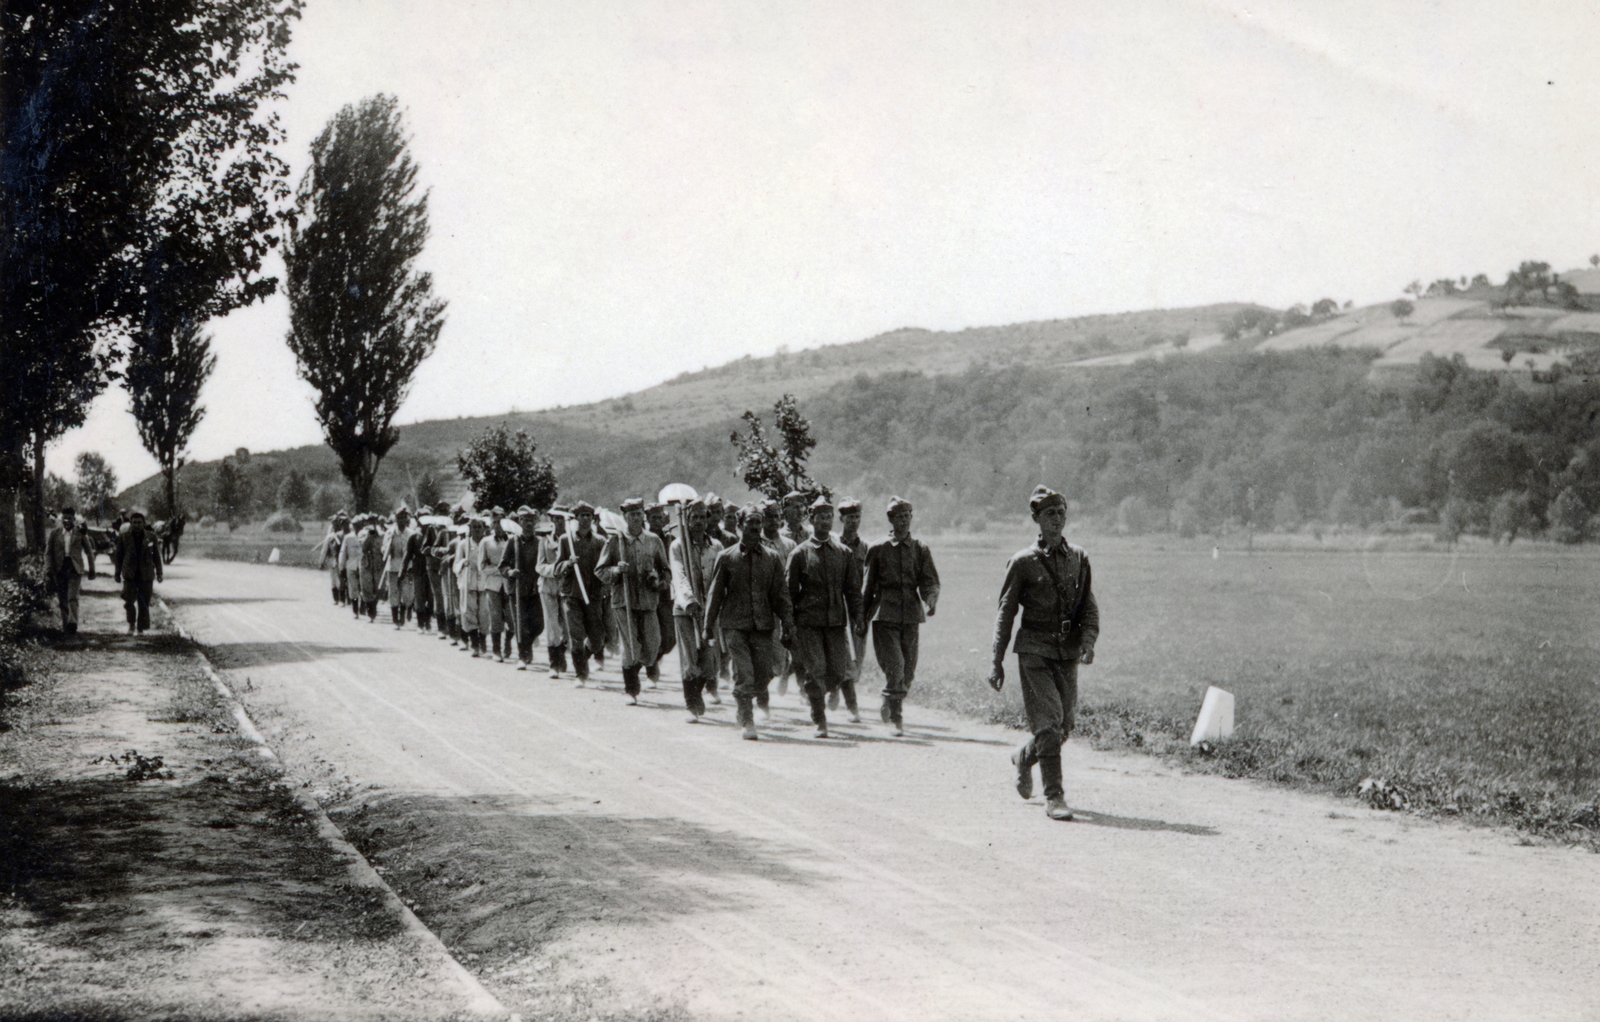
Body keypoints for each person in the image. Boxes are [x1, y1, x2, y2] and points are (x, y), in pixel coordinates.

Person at [989, 486, 1098, 822]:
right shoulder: (1022, 562)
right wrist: (996, 660)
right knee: (1049, 723)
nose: (1057, 519)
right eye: (1050, 513)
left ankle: (1024, 756)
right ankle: (1055, 796)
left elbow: (1088, 607)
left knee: (1064, 726)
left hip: (1066, 652)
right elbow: (1005, 613)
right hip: (1034, 649)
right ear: (1036, 518)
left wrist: (1089, 640)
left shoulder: (1078, 557)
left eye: (1061, 512)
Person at [705, 505, 794, 741]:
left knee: (765, 672)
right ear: (741, 524)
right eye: (750, 522)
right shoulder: (726, 557)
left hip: (763, 626)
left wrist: (788, 623)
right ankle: (747, 719)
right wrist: (707, 627)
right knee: (744, 672)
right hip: (735, 625)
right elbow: (715, 595)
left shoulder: (772, 558)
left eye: (758, 522)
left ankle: (742, 703)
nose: (754, 527)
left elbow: (781, 595)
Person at [860, 496, 940, 736]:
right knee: (896, 666)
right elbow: (868, 586)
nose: (904, 521)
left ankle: (889, 697)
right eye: (899, 516)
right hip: (885, 614)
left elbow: (929, 580)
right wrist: (861, 618)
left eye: (907, 516)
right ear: (890, 519)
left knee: (908, 672)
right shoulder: (878, 548)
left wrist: (931, 600)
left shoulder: (920, 549)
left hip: (911, 615)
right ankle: (897, 718)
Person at [786, 496, 864, 736]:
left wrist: (858, 617)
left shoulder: (843, 553)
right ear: (812, 520)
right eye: (820, 517)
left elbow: (852, 590)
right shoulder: (799, 554)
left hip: (835, 623)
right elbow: (788, 593)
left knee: (839, 672)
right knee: (816, 669)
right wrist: (788, 625)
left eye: (829, 517)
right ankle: (819, 719)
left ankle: (819, 693)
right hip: (808, 623)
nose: (825, 521)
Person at [596, 498, 671, 704]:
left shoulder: (654, 540)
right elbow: (600, 570)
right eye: (631, 514)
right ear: (625, 517)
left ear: (643, 516)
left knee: (653, 645)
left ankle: (640, 668)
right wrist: (615, 570)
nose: (635, 518)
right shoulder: (615, 540)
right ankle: (631, 689)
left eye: (638, 514)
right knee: (630, 646)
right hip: (623, 602)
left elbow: (666, 569)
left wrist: (660, 581)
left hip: (648, 601)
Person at [669, 499, 724, 722]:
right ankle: (691, 702)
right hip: (686, 609)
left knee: (711, 662)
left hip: (710, 610)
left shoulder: (717, 547)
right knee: (690, 658)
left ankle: (699, 691)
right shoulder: (678, 546)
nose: (699, 522)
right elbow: (679, 573)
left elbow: (721, 578)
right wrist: (688, 599)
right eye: (695, 517)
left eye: (703, 517)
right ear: (687, 520)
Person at [556, 502, 608, 686]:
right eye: (582, 515)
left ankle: (583, 660)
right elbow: (557, 568)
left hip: (593, 595)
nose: (586, 518)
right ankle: (580, 674)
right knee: (576, 635)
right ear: (576, 518)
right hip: (572, 594)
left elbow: (604, 568)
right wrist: (568, 564)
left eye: (589, 515)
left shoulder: (600, 541)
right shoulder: (565, 540)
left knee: (597, 638)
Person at [833, 498, 870, 710]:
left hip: (857, 609)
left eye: (857, 517)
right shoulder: (834, 545)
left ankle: (842, 685)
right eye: (850, 518)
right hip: (837, 606)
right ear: (841, 519)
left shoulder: (865, 548)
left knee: (858, 656)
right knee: (842, 653)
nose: (854, 521)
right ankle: (848, 700)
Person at [500, 506, 546, 671]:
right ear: (520, 521)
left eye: (531, 520)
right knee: (521, 624)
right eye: (525, 520)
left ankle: (527, 645)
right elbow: (502, 566)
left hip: (535, 589)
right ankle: (522, 656)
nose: (528, 523)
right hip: (517, 589)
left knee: (539, 624)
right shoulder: (513, 541)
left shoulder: (541, 542)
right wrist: (511, 572)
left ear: (535, 522)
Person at [46, 507, 96, 635]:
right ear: (61, 519)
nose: (67, 521)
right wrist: (48, 568)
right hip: (60, 568)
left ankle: (73, 622)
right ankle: (66, 625)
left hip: (74, 567)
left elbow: (89, 551)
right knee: (62, 598)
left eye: (69, 518)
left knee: (72, 596)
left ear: (74, 519)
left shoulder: (80, 533)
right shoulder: (55, 533)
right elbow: (48, 553)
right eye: (64, 518)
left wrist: (92, 569)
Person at [644, 502, 677, 688]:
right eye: (653, 517)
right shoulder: (643, 538)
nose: (657, 521)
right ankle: (651, 669)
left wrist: (665, 580)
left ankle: (654, 657)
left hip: (665, 593)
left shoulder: (670, 539)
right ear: (647, 519)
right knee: (650, 634)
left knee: (670, 638)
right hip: (645, 592)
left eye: (659, 517)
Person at [114, 510, 163, 634]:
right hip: (130, 575)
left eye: (139, 522)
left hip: (146, 575)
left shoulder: (151, 537)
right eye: (134, 522)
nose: (137, 525)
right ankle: (131, 625)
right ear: (130, 523)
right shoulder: (124, 537)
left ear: (143, 523)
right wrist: (117, 573)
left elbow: (156, 556)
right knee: (129, 601)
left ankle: (140, 628)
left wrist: (159, 573)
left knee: (144, 602)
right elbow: (119, 556)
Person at [536, 508, 571, 678]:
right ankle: (554, 663)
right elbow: (539, 566)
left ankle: (562, 654)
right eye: (555, 519)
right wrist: (555, 570)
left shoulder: (571, 540)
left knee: (567, 626)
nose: (558, 522)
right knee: (552, 625)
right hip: (548, 587)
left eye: (561, 519)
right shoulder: (544, 540)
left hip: (566, 589)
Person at [383, 507, 415, 629]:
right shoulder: (390, 533)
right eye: (399, 518)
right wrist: (387, 548)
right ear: (396, 519)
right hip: (393, 566)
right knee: (394, 593)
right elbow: (383, 549)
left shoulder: (411, 533)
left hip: (408, 567)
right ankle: (396, 620)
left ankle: (403, 614)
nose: (401, 520)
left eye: (404, 517)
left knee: (407, 594)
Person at [318, 514, 348, 605]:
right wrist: (321, 562)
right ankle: (338, 599)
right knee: (335, 580)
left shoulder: (343, 536)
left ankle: (342, 599)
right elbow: (324, 550)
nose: (335, 525)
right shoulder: (331, 537)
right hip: (334, 560)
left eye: (336, 523)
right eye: (334, 524)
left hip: (341, 560)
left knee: (340, 580)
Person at [339, 515, 365, 620]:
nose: (357, 528)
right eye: (355, 526)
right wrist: (342, 566)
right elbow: (343, 552)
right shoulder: (348, 537)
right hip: (351, 565)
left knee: (363, 587)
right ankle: (355, 610)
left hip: (363, 565)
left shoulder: (365, 535)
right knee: (353, 588)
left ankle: (363, 608)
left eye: (359, 525)